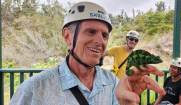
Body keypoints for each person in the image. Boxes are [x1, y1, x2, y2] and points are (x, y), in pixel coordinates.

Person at [10, 2, 165, 105]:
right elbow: (109, 63)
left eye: (104, 35)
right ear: (68, 36)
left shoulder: (112, 84)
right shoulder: (35, 89)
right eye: (91, 32)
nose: (100, 41)